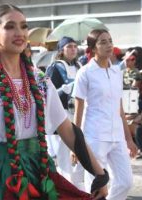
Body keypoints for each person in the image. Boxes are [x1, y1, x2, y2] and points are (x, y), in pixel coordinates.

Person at [0, 4, 108, 200]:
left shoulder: (40, 80)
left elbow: (68, 130)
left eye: (23, 26)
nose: (19, 32)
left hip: (38, 173)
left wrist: (100, 174)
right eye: (10, 26)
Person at [73, 29, 137, 200]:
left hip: (117, 136)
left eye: (110, 40)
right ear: (93, 48)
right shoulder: (85, 73)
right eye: (103, 42)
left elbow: (120, 108)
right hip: (95, 135)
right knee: (95, 185)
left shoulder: (117, 72)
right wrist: (76, 143)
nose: (109, 45)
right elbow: (78, 108)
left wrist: (129, 138)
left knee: (126, 182)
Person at [45, 36, 84, 190]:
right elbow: (49, 92)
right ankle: (65, 184)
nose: (73, 49)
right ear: (62, 50)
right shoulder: (56, 66)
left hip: (79, 112)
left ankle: (76, 183)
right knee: (64, 151)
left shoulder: (80, 65)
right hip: (63, 113)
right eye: (69, 46)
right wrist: (64, 90)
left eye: (75, 46)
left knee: (79, 148)